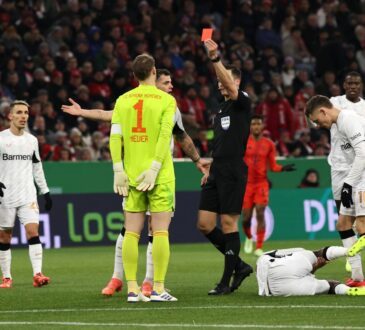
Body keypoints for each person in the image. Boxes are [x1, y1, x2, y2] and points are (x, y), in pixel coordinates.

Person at [62, 69, 210, 298]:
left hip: (141, 173)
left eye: (171, 82)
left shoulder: (170, 107)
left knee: (146, 230)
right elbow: (107, 114)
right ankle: (118, 278)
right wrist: (83, 112)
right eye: (166, 82)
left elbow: (182, 136)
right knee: (134, 230)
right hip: (151, 174)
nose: (171, 86)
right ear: (154, 81)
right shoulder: (135, 103)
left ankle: (147, 283)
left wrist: (198, 160)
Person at [110, 54, 177, 303]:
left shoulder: (122, 100)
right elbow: (164, 137)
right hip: (159, 175)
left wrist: (118, 169)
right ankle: (158, 288)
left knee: (131, 233)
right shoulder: (166, 100)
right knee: (160, 232)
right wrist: (155, 167)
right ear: (154, 72)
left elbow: (115, 137)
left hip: (131, 174)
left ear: (134, 74)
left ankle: (132, 289)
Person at [197, 38, 253, 296]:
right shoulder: (220, 110)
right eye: (218, 79)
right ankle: (240, 265)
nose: (219, 83)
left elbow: (229, 86)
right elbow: (221, 143)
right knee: (205, 224)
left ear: (236, 81)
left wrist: (214, 58)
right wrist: (209, 165)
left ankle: (225, 281)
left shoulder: (243, 101)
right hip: (217, 169)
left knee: (229, 224)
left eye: (224, 79)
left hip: (233, 170)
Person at [305, 95, 365, 276]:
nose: (318, 125)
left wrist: (348, 184)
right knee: (343, 223)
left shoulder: (348, 119)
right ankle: (357, 277)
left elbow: (363, 153)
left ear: (323, 111)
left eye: (317, 120)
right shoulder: (338, 124)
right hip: (356, 174)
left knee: (362, 225)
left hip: (362, 175)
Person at [0, 100, 53, 288]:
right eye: (19, 112)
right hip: (5, 196)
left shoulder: (31, 140)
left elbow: (37, 167)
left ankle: (38, 274)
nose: (23, 116)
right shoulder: (1, 139)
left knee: (33, 232)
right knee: (4, 237)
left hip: (27, 195)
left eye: (26, 113)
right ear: (10, 116)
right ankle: (7, 277)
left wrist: (45, 191)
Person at [325, 71, 365, 286]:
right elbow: (317, 120)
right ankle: (354, 262)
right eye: (349, 82)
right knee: (343, 218)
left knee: (360, 222)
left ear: (361, 86)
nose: (352, 86)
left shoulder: (364, 107)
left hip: (359, 168)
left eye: (356, 83)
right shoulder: (334, 103)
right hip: (338, 169)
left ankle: (355, 257)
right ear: (343, 84)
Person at [242, 114, 295, 257]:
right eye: (253, 124)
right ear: (250, 126)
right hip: (246, 184)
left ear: (262, 126)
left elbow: (272, 166)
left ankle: (259, 246)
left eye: (258, 124)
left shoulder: (269, 144)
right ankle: (248, 237)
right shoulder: (243, 141)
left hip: (261, 184)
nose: (256, 127)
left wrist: (283, 168)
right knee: (245, 218)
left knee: (260, 212)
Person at [256, 246, 365, 296]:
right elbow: (293, 266)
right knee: (320, 253)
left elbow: (296, 274)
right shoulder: (297, 252)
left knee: (331, 286)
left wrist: (316, 267)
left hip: (274, 290)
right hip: (271, 265)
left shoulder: (263, 258)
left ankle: (349, 291)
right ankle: (348, 251)